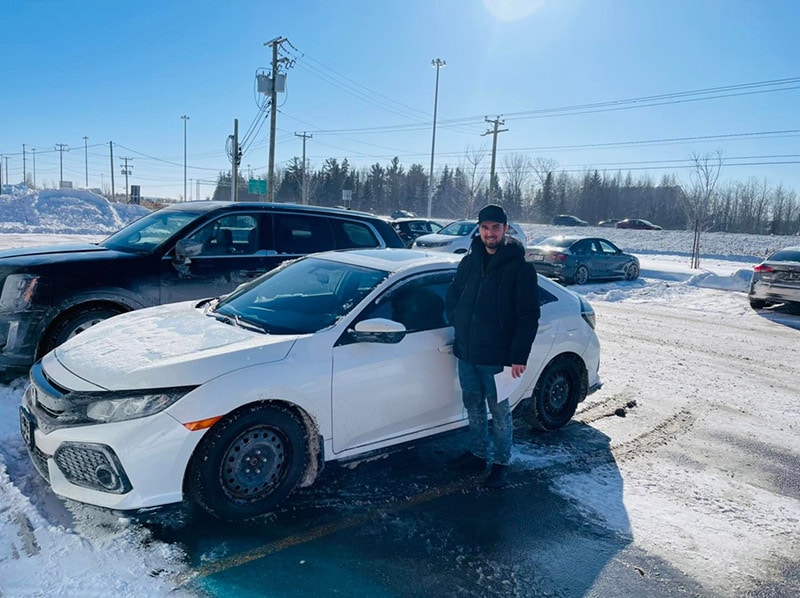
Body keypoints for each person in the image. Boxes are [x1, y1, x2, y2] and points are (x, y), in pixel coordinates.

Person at [445, 204, 540, 489]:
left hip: (498, 356)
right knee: (473, 404)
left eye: (495, 228)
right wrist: (458, 321)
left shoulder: (520, 268)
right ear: (479, 229)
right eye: (485, 228)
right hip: (468, 352)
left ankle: (501, 461)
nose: (489, 233)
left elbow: (528, 315)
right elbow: (453, 294)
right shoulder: (469, 261)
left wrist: (519, 355)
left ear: (506, 229)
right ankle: (477, 453)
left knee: (498, 411)